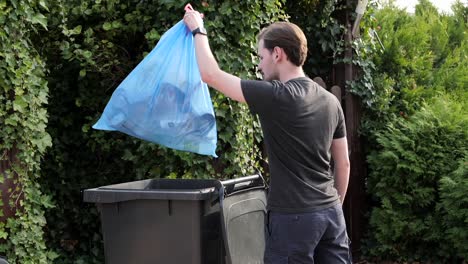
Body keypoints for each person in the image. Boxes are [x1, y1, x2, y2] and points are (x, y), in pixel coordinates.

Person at [184, 8, 351, 264]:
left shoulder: (276, 95)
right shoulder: (331, 102)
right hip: (331, 215)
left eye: (261, 57)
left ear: (277, 53)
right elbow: (343, 163)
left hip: (293, 220)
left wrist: (198, 29)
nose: (259, 66)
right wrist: (334, 205)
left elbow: (210, 75)